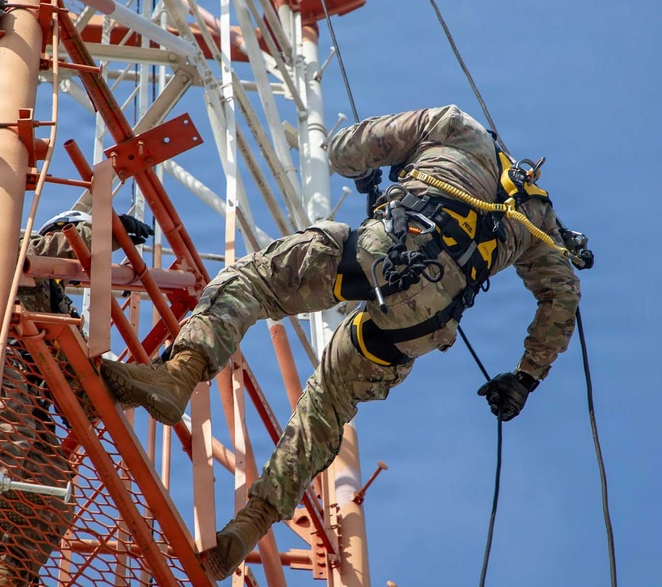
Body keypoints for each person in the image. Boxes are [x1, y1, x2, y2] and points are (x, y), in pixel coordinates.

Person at [100, 105, 582, 579]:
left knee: (254, 281)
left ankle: (178, 375)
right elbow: (562, 297)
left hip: (386, 254)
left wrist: (383, 165)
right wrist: (524, 378)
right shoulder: (538, 220)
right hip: (425, 324)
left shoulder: (452, 125)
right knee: (327, 407)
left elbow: (344, 151)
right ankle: (250, 526)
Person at [0, 211, 152, 586]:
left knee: (54, 485)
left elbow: (86, 398)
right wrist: (102, 231)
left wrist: (149, 379)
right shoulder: (24, 257)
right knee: (11, 441)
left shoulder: (60, 310)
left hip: (32, 402)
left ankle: (8, 573)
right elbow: (29, 252)